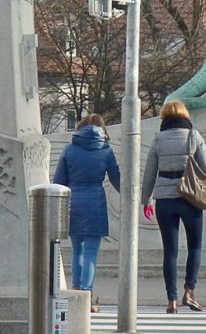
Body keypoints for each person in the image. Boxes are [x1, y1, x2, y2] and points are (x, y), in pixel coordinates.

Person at [141, 100, 206, 314]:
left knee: (170, 251)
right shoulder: (194, 136)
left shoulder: (158, 139)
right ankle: (189, 291)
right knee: (194, 246)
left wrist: (146, 199)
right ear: (185, 115)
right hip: (191, 198)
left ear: (164, 117)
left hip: (164, 199)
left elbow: (149, 173)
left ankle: (171, 300)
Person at [52, 113, 120, 312]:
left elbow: (58, 181)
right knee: (91, 252)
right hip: (95, 201)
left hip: (73, 202)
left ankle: (75, 292)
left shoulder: (69, 149)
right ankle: (87, 296)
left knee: (77, 251)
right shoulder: (105, 150)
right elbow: (117, 179)